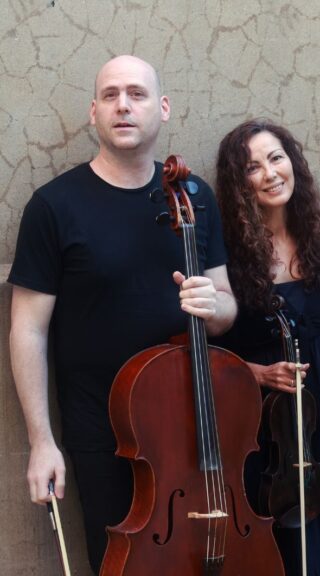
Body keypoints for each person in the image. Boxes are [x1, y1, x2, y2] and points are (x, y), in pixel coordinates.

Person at [8, 55, 236, 574]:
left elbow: (225, 308)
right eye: (110, 95)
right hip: (102, 436)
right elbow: (28, 329)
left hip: (193, 427)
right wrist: (41, 442)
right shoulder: (54, 206)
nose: (123, 106)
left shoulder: (196, 197)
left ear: (163, 108)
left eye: (136, 93)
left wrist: (215, 305)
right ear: (94, 112)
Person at [213, 119, 320, 576]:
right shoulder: (225, 251)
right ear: (239, 184)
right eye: (252, 167)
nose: (270, 173)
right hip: (260, 417)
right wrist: (257, 373)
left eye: (276, 158)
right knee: (274, 530)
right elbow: (208, 350)